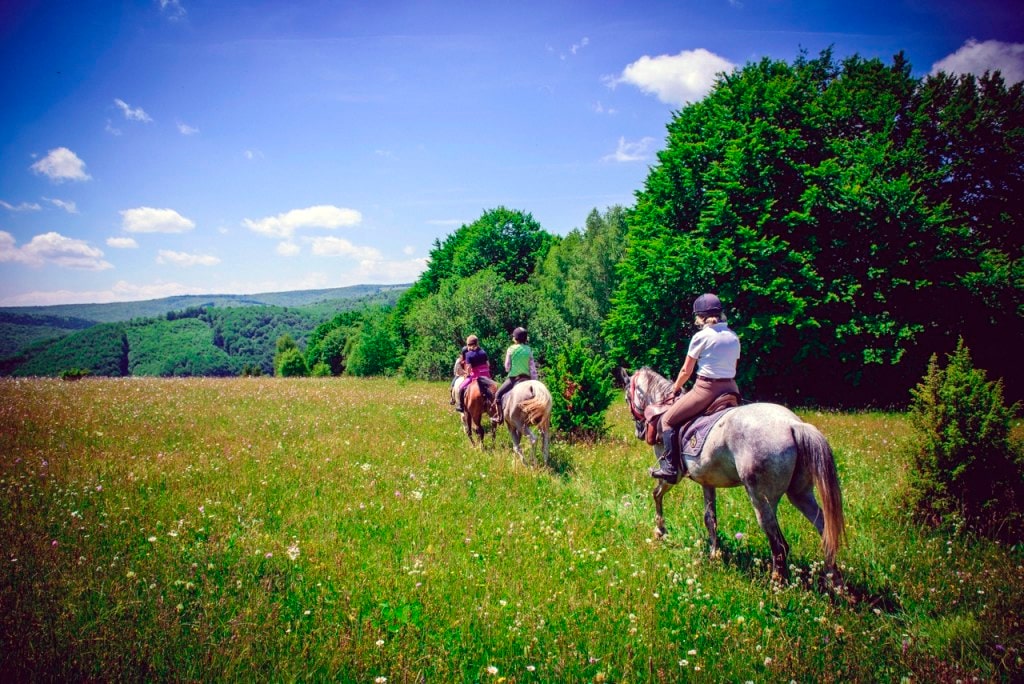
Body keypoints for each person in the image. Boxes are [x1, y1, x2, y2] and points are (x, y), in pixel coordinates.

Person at [650, 293, 741, 484]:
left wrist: (676, 388)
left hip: (706, 389)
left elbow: (685, 370)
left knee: (667, 420)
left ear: (700, 316)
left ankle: (670, 467)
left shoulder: (701, 336)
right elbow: (735, 365)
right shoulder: (733, 336)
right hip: (732, 388)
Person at [493, 327, 537, 423]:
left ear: (515, 338)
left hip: (514, 379)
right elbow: (532, 368)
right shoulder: (529, 350)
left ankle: (499, 418)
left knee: (498, 395)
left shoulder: (511, 349)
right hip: (527, 379)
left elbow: (507, 367)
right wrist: (535, 382)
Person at [454, 334, 494, 412]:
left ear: (469, 345)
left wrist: (467, 373)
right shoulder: (483, 352)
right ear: (477, 343)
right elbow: (488, 364)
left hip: (475, 376)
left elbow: (468, 369)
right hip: (486, 376)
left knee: (460, 388)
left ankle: (461, 406)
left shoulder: (468, 355)